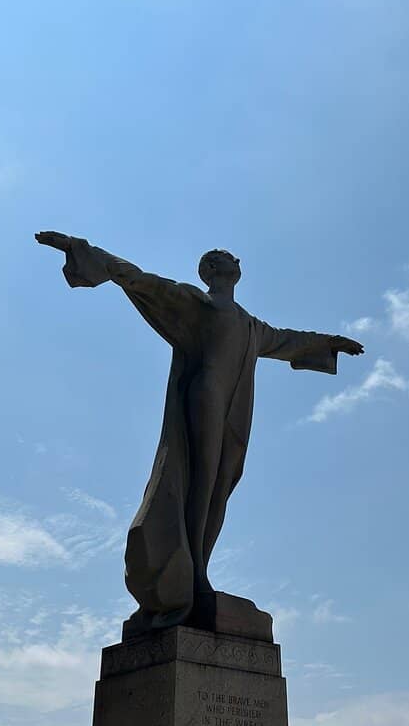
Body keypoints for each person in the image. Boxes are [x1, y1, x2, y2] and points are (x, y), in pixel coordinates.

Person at [36, 232, 363, 636]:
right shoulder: (197, 304)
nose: (236, 260)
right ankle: (192, 580)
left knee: (219, 488)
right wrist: (78, 248)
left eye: (234, 257)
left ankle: (199, 569)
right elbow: (138, 278)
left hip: (234, 414)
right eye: (226, 257)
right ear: (210, 270)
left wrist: (330, 343)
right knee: (199, 483)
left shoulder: (250, 325)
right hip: (205, 397)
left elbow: (288, 341)